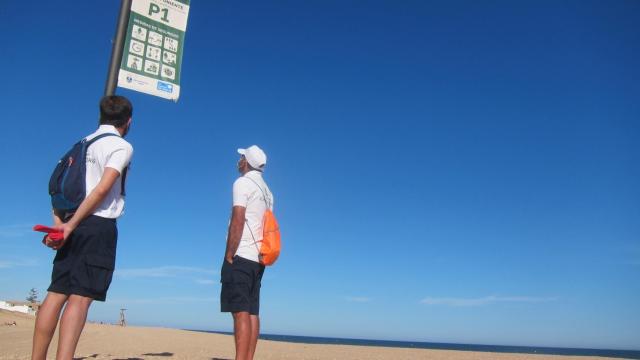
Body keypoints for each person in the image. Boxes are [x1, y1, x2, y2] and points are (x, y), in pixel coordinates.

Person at [32, 96, 134, 360]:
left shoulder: (81, 144)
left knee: (56, 293)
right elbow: (102, 188)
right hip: (97, 225)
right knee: (80, 297)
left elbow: (57, 187)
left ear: (101, 115)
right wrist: (71, 225)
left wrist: (61, 225)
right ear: (128, 121)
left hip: (69, 221)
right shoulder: (120, 146)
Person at [221, 145, 274, 360]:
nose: (239, 160)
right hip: (259, 259)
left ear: (247, 162)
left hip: (242, 253)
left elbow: (238, 218)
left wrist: (229, 253)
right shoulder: (269, 193)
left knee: (240, 310)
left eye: (242, 157)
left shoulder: (242, 183)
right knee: (252, 311)